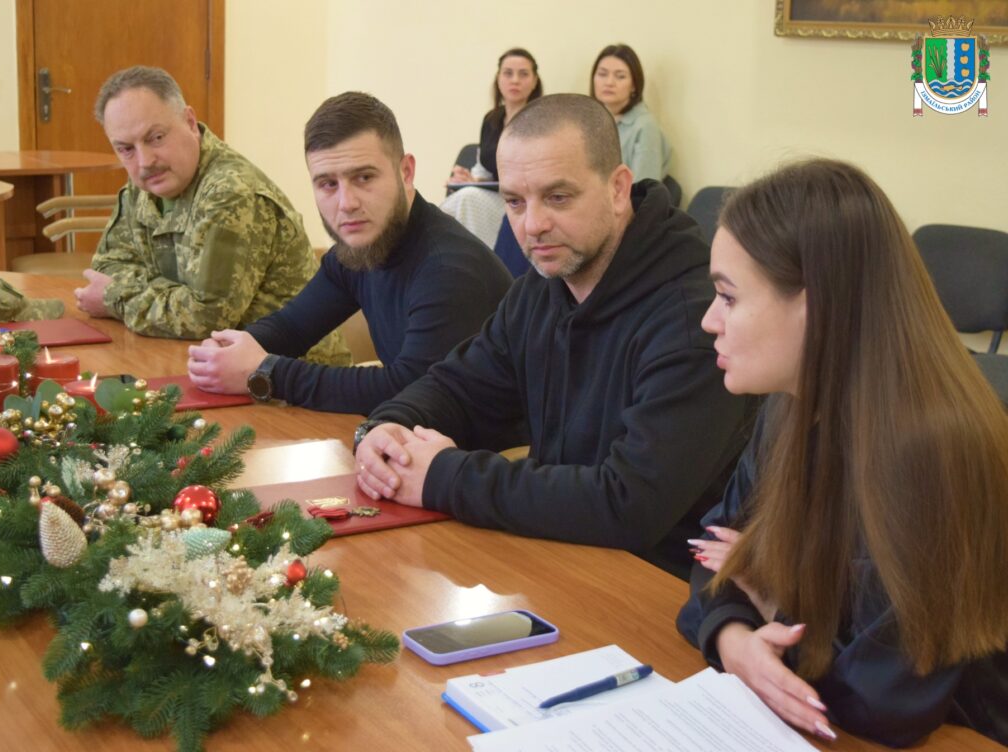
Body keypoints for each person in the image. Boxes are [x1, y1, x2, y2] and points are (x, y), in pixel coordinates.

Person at [677, 159, 1008, 746]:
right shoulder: (790, 405)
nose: (710, 320)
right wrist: (737, 643)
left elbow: (884, 703)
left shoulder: (932, 449)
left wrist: (774, 603)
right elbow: (711, 563)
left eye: (728, 297)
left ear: (816, 303)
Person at [355, 94, 751, 578]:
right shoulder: (542, 288)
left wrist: (444, 477)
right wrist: (386, 430)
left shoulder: (694, 320)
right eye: (516, 203)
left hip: (662, 592)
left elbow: (628, 505)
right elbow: (459, 388)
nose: (533, 225)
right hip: (556, 558)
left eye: (558, 197)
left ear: (618, 188)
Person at [186, 92, 512, 416]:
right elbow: (292, 328)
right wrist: (229, 351)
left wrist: (266, 372)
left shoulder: (448, 269)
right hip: (410, 443)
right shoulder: (359, 249)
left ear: (406, 172)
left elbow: (409, 389)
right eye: (328, 184)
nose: (346, 203)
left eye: (364, 177)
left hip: (498, 455)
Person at [74, 66, 347, 365]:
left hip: (289, 378)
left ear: (189, 122)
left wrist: (115, 296)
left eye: (156, 137)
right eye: (126, 149)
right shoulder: (147, 183)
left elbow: (205, 316)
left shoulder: (230, 192)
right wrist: (177, 297)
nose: (144, 161)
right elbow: (107, 266)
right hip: (203, 363)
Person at [441, 48, 543, 249]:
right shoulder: (491, 119)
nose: (515, 80)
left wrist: (477, 185)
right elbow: (483, 170)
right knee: (464, 195)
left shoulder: (540, 121)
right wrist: (469, 179)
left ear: (534, 81)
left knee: (467, 198)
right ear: (498, 78)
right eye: (508, 73)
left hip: (520, 201)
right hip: (490, 194)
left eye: (523, 74)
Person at [590, 44, 671, 183]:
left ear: (634, 85)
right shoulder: (590, 120)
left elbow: (642, 190)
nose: (609, 82)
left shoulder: (645, 126)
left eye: (620, 76)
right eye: (602, 74)